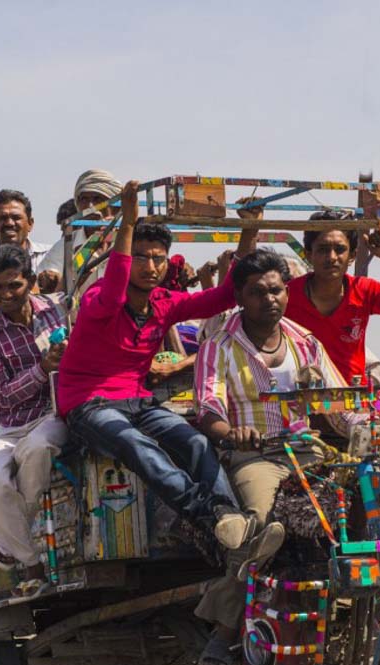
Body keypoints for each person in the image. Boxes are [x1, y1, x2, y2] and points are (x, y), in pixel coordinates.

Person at [57, 181, 254, 556]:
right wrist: (127, 223)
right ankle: (209, 517)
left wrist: (250, 230)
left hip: (138, 402)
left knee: (196, 440)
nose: (151, 266)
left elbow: (225, 296)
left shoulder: (165, 303)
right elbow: (115, 291)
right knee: (138, 446)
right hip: (89, 404)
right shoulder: (99, 298)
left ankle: (231, 521)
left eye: (159, 258)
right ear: (127, 260)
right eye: (142, 258)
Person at [193, 249, 360, 665]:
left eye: (276, 290)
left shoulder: (305, 341)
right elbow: (207, 407)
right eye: (257, 292)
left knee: (372, 498)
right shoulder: (218, 345)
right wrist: (233, 433)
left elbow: (338, 405)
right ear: (239, 297)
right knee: (265, 521)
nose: (270, 299)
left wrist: (368, 424)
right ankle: (225, 629)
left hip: (308, 452)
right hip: (256, 456)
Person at [239, 209, 380, 382]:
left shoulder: (366, 291)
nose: (332, 257)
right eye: (323, 249)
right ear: (309, 254)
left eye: (340, 249)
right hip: (301, 401)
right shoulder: (287, 295)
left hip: (353, 407)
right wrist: (249, 230)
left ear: (352, 256)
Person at [0, 244, 69, 582]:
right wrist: (42, 368)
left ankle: (17, 545)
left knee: (38, 448)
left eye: (14, 285)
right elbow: (2, 396)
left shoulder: (59, 309)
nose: (5, 294)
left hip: (53, 413)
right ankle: (30, 560)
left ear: (30, 282)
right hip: (8, 425)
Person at [0, 189, 52, 277]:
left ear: (30, 223)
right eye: (2, 218)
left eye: (16, 217)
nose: (9, 223)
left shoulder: (51, 256)